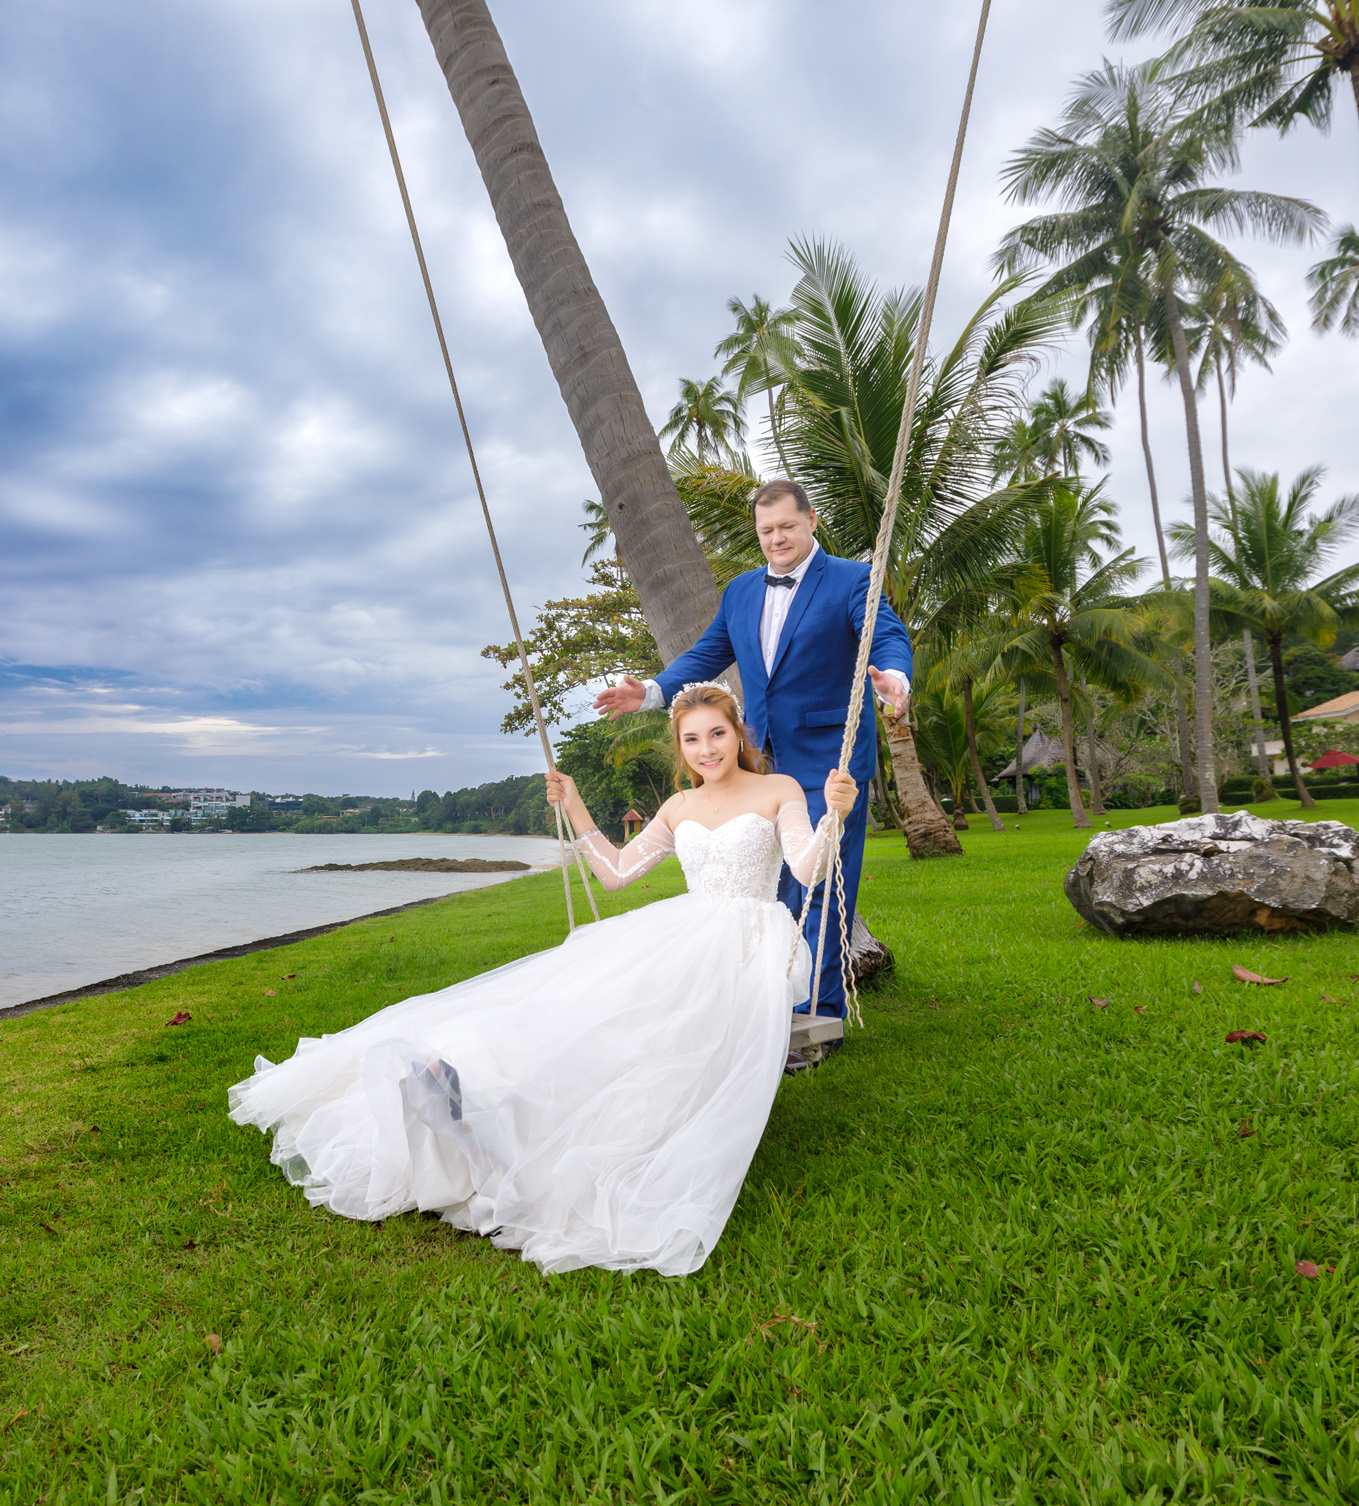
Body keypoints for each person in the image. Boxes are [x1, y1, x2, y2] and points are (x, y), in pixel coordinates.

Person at [228, 683, 856, 1277]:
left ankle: (515, 1126)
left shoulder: (778, 790)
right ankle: (473, 1088)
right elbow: (614, 874)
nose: (707, 750)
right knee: (578, 1012)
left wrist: (834, 817)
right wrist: (576, 805)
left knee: (648, 1035)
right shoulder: (678, 805)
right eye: (692, 740)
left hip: (743, 947)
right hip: (677, 934)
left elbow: (807, 867)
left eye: (716, 734)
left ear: (737, 733)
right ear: (680, 747)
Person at [594, 479, 910, 1022]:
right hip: (758, 765)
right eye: (766, 530)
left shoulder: (853, 579)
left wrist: (895, 678)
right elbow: (708, 652)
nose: (777, 538)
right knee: (769, 895)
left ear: (811, 522)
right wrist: (648, 692)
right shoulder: (740, 590)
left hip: (827, 761)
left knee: (821, 889)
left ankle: (819, 1016)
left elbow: (882, 635)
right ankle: (767, 1004)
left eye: (787, 526)